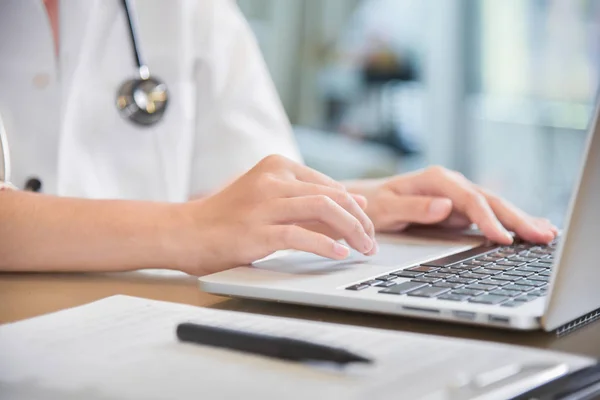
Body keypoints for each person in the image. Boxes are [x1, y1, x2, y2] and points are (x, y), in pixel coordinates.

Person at [0, 0, 557, 276]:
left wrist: (359, 203)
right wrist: (191, 232)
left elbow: (239, 196)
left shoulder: (192, 10)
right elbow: (210, 224)